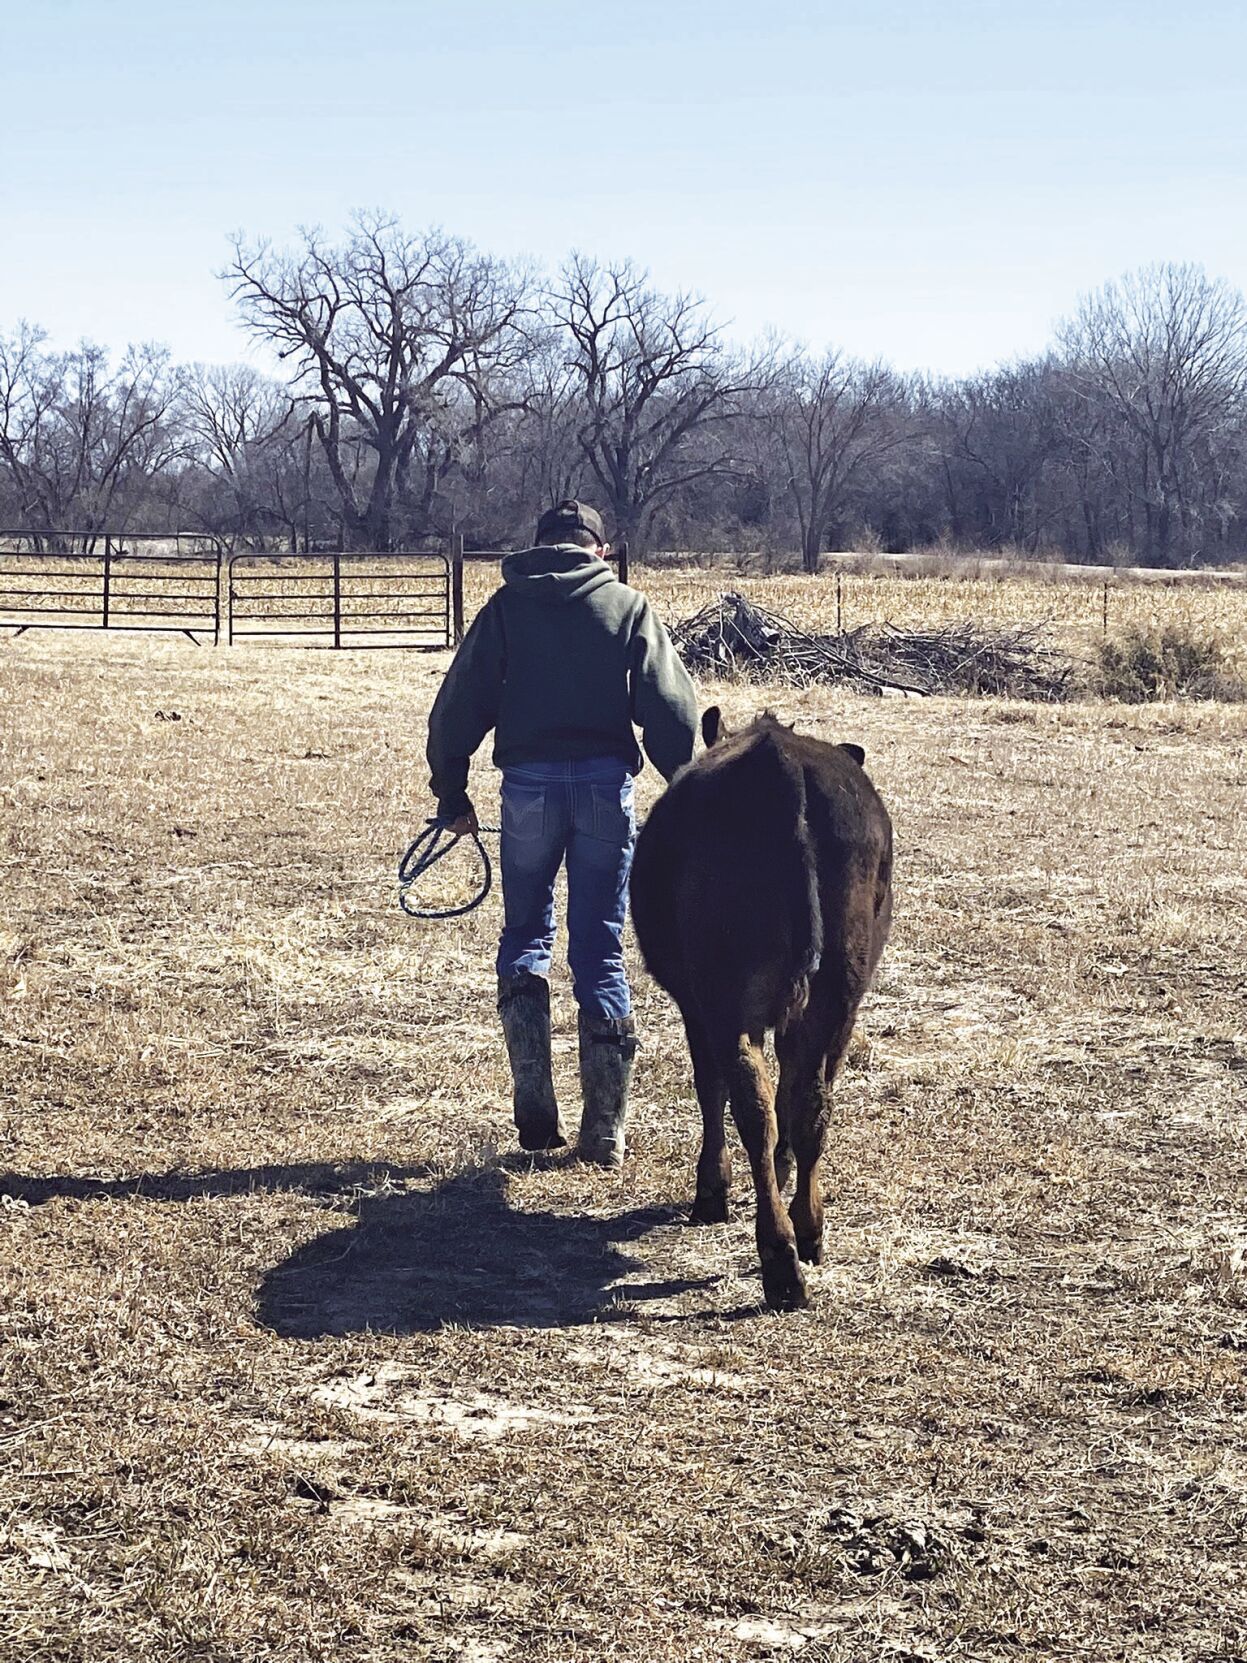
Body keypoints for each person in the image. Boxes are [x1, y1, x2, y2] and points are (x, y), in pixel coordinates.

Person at [426, 500, 699, 1166]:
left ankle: (533, 1097)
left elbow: (457, 705)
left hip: (526, 791)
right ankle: (602, 1132)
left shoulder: (504, 609)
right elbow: (670, 711)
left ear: (540, 546)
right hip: (606, 790)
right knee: (600, 947)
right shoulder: (626, 607)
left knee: (525, 933)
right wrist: (690, 789)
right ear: (599, 550)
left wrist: (451, 793)